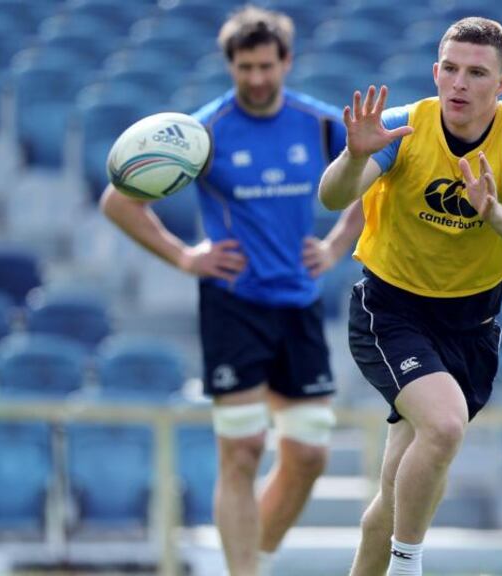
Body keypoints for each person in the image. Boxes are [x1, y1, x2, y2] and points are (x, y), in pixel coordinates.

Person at [101, 6, 363, 576]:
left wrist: (340, 243)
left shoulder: (319, 124)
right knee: (242, 452)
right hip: (234, 303)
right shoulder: (202, 133)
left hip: (298, 301)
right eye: (245, 67)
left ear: (286, 61)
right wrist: (184, 256)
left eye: (267, 65)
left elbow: (382, 175)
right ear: (231, 66)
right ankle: (243, 570)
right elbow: (118, 200)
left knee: (310, 455)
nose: (257, 78)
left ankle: (244, 560)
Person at [317, 16, 502, 576]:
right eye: (450, 69)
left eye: (476, 73)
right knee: (445, 425)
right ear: (434, 72)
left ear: (501, 85)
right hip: (391, 311)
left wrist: (494, 212)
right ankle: (409, 566)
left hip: (472, 326)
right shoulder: (403, 126)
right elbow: (333, 199)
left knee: (396, 489)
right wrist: (355, 158)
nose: (459, 83)